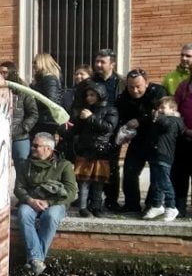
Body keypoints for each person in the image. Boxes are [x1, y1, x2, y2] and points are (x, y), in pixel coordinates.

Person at [14, 132, 77, 276]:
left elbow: (71, 191)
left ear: (48, 149)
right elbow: (18, 188)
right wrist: (30, 200)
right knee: (23, 214)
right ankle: (37, 260)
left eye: (36, 146)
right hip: (32, 201)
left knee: (50, 217)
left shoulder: (64, 165)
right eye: (32, 145)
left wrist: (49, 202)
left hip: (56, 202)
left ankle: (35, 259)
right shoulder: (25, 165)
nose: (32, 148)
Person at [116, 69, 165, 214]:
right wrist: (123, 132)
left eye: (138, 86)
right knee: (130, 171)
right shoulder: (123, 97)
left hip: (156, 138)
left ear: (147, 83)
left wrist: (140, 120)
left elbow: (161, 112)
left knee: (155, 174)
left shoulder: (158, 92)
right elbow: (121, 117)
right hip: (137, 139)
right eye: (131, 87)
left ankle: (151, 204)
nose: (135, 90)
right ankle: (131, 204)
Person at [70, 82, 117, 217]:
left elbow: (108, 127)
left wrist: (91, 117)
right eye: (87, 95)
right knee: (83, 181)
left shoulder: (111, 110)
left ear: (100, 95)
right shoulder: (85, 110)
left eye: (92, 95)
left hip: (101, 149)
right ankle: (83, 207)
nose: (89, 98)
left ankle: (97, 206)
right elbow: (77, 129)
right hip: (85, 148)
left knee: (98, 181)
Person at [86, 49, 124, 209]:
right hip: (91, 128)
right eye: (97, 62)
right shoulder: (90, 82)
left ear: (112, 64)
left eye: (102, 62)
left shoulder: (120, 83)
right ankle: (88, 199)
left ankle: (111, 199)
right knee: (89, 164)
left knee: (112, 165)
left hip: (112, 129)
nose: (98, 65)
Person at [143, 97, 185, 221]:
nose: (159, 110)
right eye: (158, 108)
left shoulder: (174, 120)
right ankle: (157, 205)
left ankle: (171, 206)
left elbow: (167, 125)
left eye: (163, 108)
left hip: (164, 155)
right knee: (155, 182)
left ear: (172, 109)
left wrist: (157, 117)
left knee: (164, 182)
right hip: (155, 154)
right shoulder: (159, 120)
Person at [0, 62, 38, 176]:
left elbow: (33, 114)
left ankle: (22, 192)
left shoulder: (23, 90)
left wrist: (23, 128)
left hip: (19, 136)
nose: (1, 75)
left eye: (5, 73)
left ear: (12, 73)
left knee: (22, 167)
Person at [31, 53, 63, 137]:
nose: (33, 65)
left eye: (35, 63)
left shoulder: (49, 79)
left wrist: (32, 101)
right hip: (44, 119)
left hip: (46, 120)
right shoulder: (42, 80)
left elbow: (51, 99)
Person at [174, 77, 192, 217]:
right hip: (183, 138)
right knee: (180, 175)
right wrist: (184, 129)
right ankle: (180, 207)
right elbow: (175, 111)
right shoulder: (184, 87)